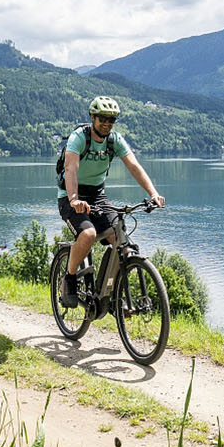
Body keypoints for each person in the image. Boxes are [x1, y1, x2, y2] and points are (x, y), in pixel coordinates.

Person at [58, 95, 164, 302]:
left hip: (97, 195)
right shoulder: (79, 138)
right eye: (102, 118)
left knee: (121, 238)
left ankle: (114, 293)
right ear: (93, 117)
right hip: (71, 196)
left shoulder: (114, 140)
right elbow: (71, 169)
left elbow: (134, 166)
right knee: (88, 234)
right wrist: (73, 199)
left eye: (111, 120)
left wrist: (153, 193)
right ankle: (69, 279)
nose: (107, 123)